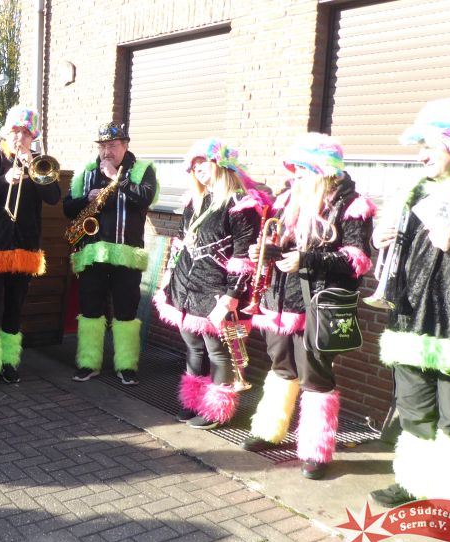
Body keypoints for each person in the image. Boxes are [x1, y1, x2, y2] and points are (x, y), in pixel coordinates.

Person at [369, 98, 450, 513]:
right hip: (410, 318)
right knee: (415, 412)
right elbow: (399, 248)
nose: (421, 155)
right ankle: (414, 482)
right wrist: (380, 238)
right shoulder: (415, 189)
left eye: (428, 145)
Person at [240, 134, 375, 480]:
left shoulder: (351, 205)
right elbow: (280, 246)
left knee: (315, 376)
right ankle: (270, 430)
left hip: (316, 307)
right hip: (279, 302)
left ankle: (316, 449)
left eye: (302, 168)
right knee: (281, 366)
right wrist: (265, 251)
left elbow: (356, 260)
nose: (295, 175)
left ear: (322, 171)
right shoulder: (288, 199)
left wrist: (307, 259)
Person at [154, 137, 265, 430]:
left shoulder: (241, 205)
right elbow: (180, 243)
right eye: (194, 166)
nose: (198, 169)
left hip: (216, 291)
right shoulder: (195, 201)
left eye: (203, 162)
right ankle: (194, 401)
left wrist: (231, 296)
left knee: (217, 351)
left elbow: (244, 257)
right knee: (193, 346)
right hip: (185, 287)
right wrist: (168, 277)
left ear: (221, 164)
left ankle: (216, 410)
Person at [0, 105, 62, 392]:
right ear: (5, 133)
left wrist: (32, 167)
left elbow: (53, 197)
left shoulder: (40, 162)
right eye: (15, 131)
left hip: (24, 249)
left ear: (33, 137)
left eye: (25, 133)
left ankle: (9, 362)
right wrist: (4, 180)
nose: (19, 138)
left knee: (14, 310)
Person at [64, 122, 156, 385]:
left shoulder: (142, 170)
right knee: (90, 310)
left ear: (125, 146)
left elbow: (145, 198)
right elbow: (67, 207)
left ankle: (126, 366)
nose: (107, 151)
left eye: (112, 146)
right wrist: (86, 199)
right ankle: (88, 362)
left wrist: (118, 178)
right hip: (93, 253)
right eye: (103, 146)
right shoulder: (86, 172)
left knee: (126, 311)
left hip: (126, 254)